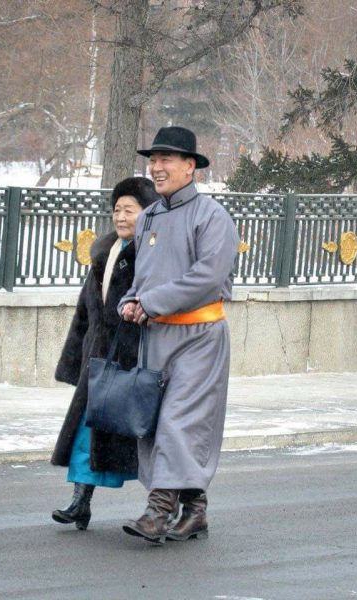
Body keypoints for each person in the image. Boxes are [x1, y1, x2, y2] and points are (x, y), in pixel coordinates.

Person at [120, 126, 240, 544]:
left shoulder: (212, 217)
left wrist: (152, 301)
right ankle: (195, 510)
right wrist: (130, 301)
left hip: (199, 337)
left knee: (178, 422)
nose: (156, 167)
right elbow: (141, 276)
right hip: (156, 338)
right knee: (158, 425)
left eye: (166, 159)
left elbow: (208, 277)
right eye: (153, 160)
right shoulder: (149, 217)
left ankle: (157, 512)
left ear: (190, 167)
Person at [51, 177, 159, 530]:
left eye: (130, 210)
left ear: (147, 213)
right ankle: (80, 502)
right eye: (117, 209)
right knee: (87, 432)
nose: (121, 216)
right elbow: (86, 310)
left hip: (136, 359)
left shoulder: (153, 253)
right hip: (99, 359)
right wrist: (73, 359)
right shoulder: (105, 250)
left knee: (148, 438)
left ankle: (171, 507)